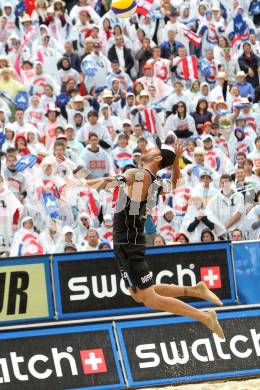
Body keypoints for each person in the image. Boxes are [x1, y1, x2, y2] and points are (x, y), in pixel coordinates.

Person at [76, 138, 224, 339]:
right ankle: (195, 290)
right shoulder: (155, 182)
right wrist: (175, 161)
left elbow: (108, 182)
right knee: (138, 294)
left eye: (153, 148)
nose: (147, 147)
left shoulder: (137, 174)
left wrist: (81, 184)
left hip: (128, 241)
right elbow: (174, 183)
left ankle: (205, 317)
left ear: (156, 157)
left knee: (150, 298)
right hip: (128, 240)